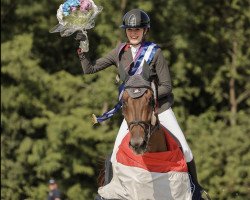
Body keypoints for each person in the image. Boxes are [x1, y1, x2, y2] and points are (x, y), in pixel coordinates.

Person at [76, 9, 209, 199]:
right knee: (115, 154)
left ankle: (196, 190)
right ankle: (109, 193)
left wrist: (146, 97)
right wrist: (83, 50)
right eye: (130, 30)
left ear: (145, 30)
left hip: (158, 108)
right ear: (126, 32)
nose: (133, 33)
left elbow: (167, 86)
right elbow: (90, 69)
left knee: (185, 149)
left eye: (138, 29)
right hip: (132, 113)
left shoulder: (155, 53)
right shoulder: (119, 52)